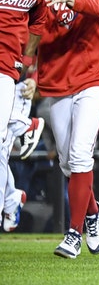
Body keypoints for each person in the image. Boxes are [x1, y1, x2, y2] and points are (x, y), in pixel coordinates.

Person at [39, 0, 99, 259]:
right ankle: (93, 212)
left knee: (82, 154)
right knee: (69, 164)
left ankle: (73, 233)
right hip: (56, 80)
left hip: (94, 77)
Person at [0, 0, 47, 234]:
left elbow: (39, 25)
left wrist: (28, 64)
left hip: (5, 69)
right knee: (2, 148)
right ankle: (11, 196)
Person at [3, 79, 42, 232]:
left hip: (17, 87)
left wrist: (35, 78)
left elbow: (37, 55)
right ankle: (12, 197)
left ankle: (27, 126)